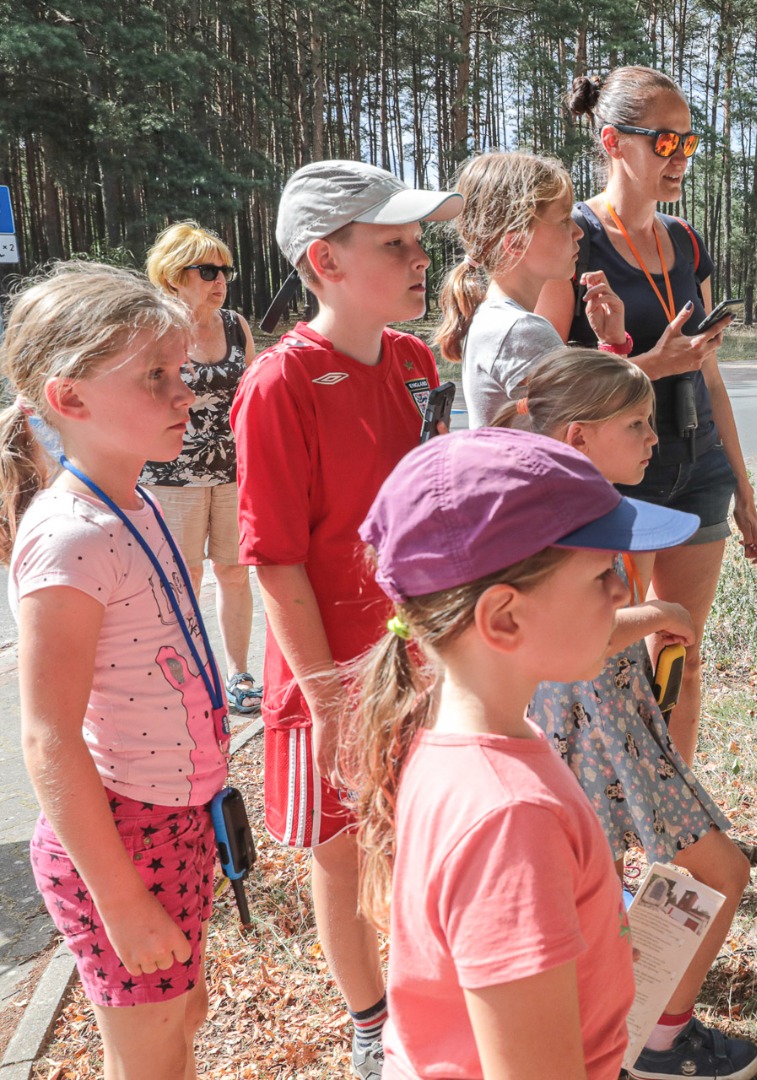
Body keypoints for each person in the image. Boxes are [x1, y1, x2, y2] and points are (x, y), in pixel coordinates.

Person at [345, 429, 690, 1080]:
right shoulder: (510, 817)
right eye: (602, 575)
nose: (622, 593)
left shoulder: (459, 736)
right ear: (503, 619)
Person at [231, 160, 462, 1079]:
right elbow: (274, 555)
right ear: (325, 260)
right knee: (340, 852)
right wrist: (327, 700)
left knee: (416, 834)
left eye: (419, 242)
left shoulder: (415, 361)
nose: (421, 260)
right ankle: (369, 1020)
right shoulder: (280, 382)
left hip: (423, 663)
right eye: (396, 244)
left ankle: (425, 991)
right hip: (329, 674)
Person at [492, 349, 757, 1080]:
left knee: (600, 896)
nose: (655, 437)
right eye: (638, 424)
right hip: (609, 726)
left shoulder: (561, 506)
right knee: (719, 874)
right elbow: (578, 638)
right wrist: (659, 613)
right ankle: (659, 1042)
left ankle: (616, 1033)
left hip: (598, 727)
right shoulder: (572, 524)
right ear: (578, 438)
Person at [2, 263, 228, 1078]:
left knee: (180, 1017)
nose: (185, 395)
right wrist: (122, 901)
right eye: (156, 377)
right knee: (152, 1053)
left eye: (184, 373)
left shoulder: (130, 501)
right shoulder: (70, 537)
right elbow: (47, 735)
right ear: (69, 400)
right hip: (123, 840)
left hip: (169, 821)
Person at [537, 65, 757, 765]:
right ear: (613, 141)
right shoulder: (574, 238)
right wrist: (650, 365)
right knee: (603, 663)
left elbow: (711, 376)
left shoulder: (685, 239)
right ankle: (601, 832)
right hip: (614, 482)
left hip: (698, 470)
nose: (681, 158)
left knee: (680, 656)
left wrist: (745, 491)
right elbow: (545, 391)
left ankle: (676, 838)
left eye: (689, 142)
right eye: (664, 142)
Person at [140, 221, 262, 716]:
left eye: (225, 271)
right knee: (184, 575)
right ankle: (191, 675)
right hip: (172, 473)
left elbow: (254, 396)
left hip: (235, 470)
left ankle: (239, 675)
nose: (220, 280)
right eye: (207, 270)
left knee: (235, 573)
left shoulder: (235, 324)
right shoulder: (153, 329)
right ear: (173, 275)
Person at [435, 151, 630, 428]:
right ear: (516, 243)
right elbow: (598, 430)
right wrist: (617, 347)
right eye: (564, 220)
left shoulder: (495, 318)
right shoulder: (521, 330)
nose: (579, 232)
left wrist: (611, 343)